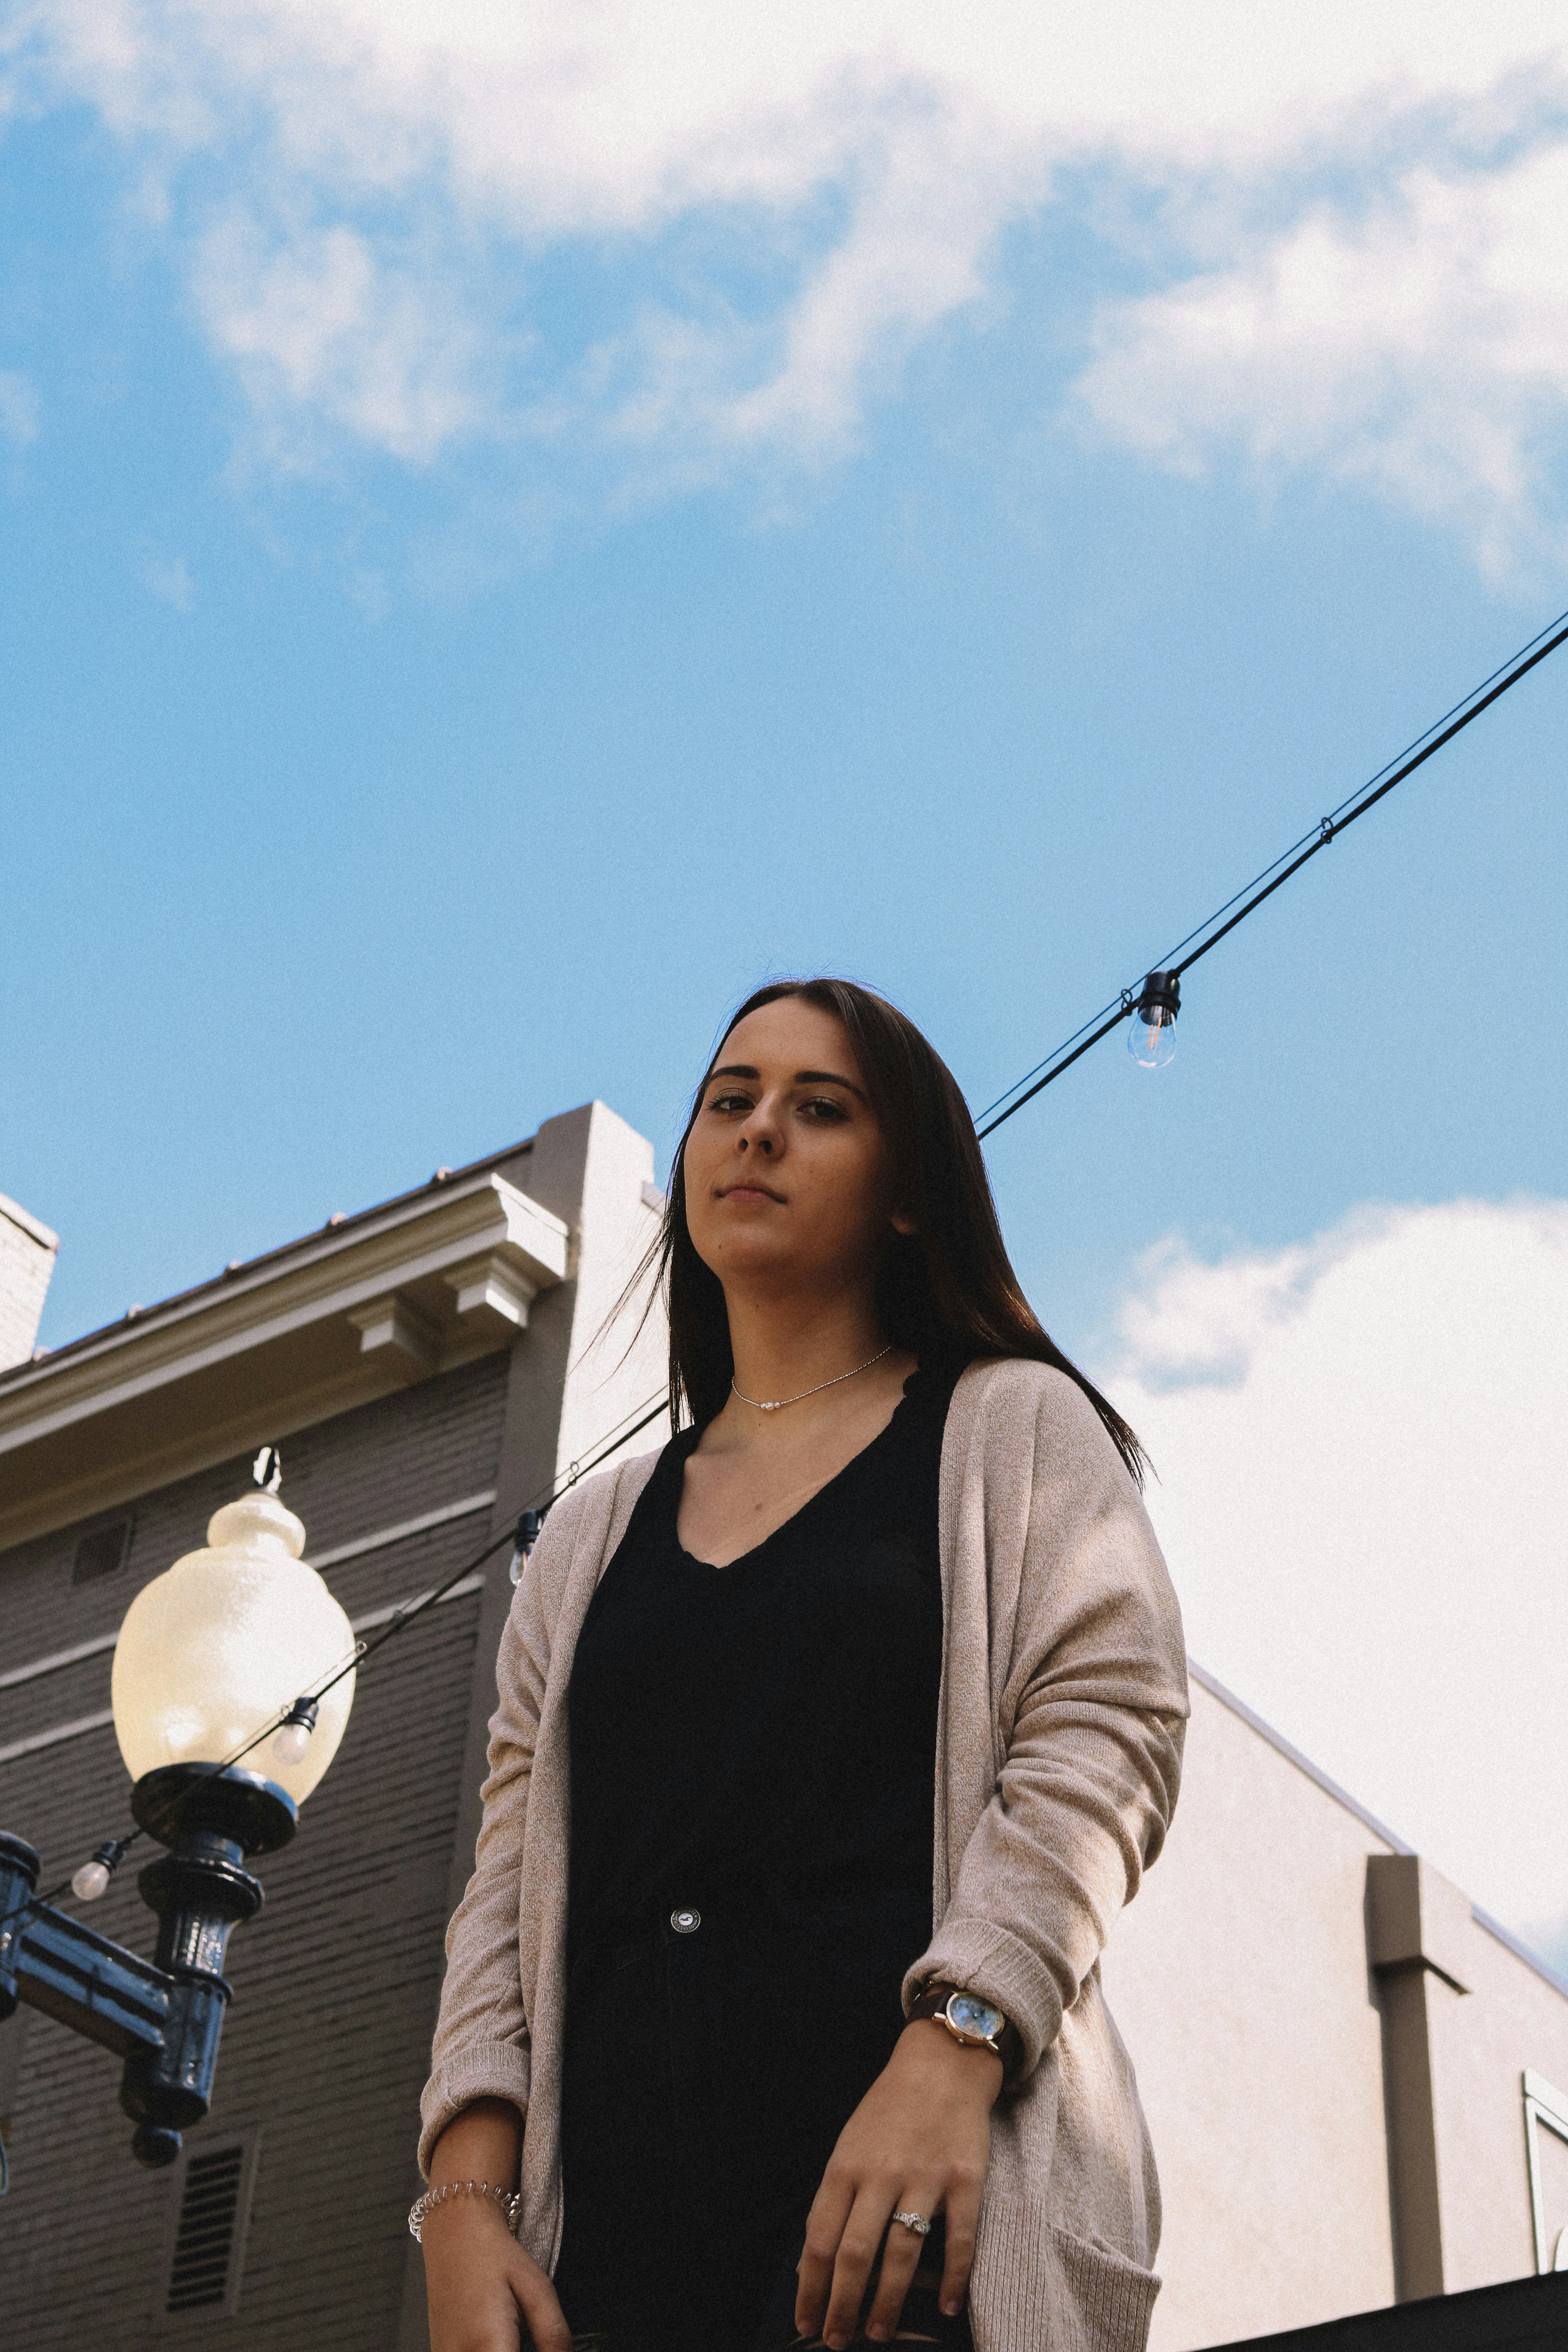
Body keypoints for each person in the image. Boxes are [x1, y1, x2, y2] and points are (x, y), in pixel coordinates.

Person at [414, 978, 1187, 2352]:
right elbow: (507, 1888)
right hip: (611, 2268)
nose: (757, 1131)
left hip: (909, 2238)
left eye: (818, 1109)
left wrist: (956, 2042)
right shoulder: (593, 1531)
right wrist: (466, 2195)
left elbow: (1108, 1729)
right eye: (731, 1100)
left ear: (907, 1191)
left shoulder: (1011, 1427)